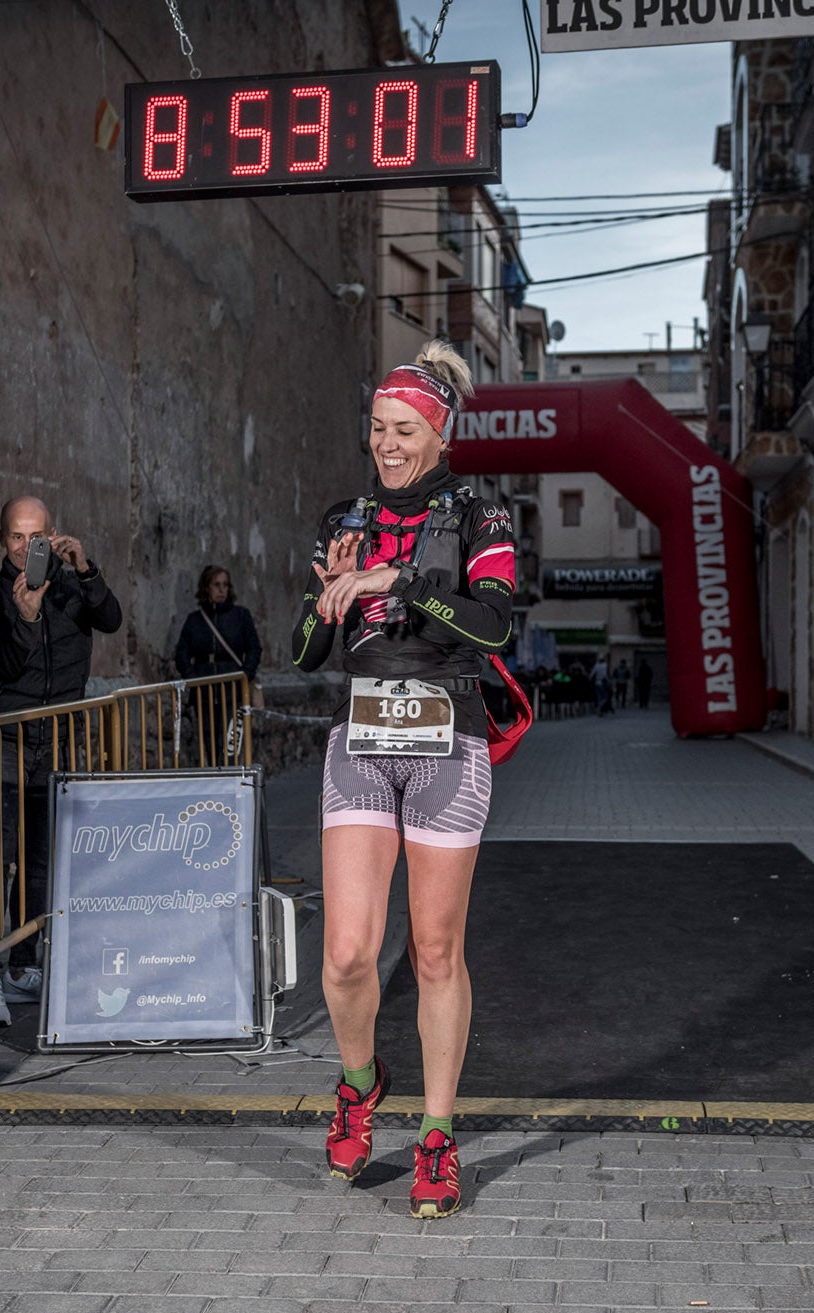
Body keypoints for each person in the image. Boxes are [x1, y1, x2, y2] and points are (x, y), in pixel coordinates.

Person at [291, 339, 516, 1219]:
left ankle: (435, 1135)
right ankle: (359, 1081)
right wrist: (327, 600)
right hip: (360, 737)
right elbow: (310, 653)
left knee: (432, 951)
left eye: (404, 429)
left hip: (447, 740)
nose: (387, 444)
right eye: (377, 428)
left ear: (440, 430)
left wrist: (405, 581)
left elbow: (494, 626)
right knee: (346, 952)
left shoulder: (478, 512)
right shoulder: (343, 516)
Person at [0, 497, 123, 1028]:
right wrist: (25, 617)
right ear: (2, 538)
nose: (25, 547)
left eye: (37, 537)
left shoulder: (74, 582)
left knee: (38, 858)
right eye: (15, 538)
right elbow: (0, 667)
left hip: (56, 737)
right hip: (2, 736)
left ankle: (23, 965)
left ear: (52, 534)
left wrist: (87, 568)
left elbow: (112, 619)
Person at [176, 565, 262, 766]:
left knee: (231, 743)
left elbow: (254, 648)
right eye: (216, 585)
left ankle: (231, 783)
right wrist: (192, 676)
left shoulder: (240, 616)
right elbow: (181, 652)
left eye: (225, 585)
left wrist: (245, 675)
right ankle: (217, 783)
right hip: (204, 692)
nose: (221, 590)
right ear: (206, 588)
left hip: (232, 691)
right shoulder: (194, 620)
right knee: (209, 743)